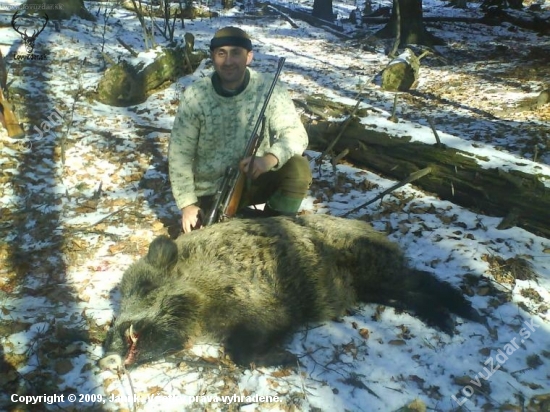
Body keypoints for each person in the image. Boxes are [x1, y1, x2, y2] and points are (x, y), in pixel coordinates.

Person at [169, 26, 312, 233]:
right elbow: (179, 155)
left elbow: (296, 134)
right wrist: (187, 204)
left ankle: (276, 230)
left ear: (249, 57)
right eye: (221, 53)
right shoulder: (196, 96)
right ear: (212, 57)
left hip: (255, 178)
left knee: (298, 168)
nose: (228, 61)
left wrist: (269, 159)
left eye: (236, 53)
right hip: (210, 190)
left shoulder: (268, 88)